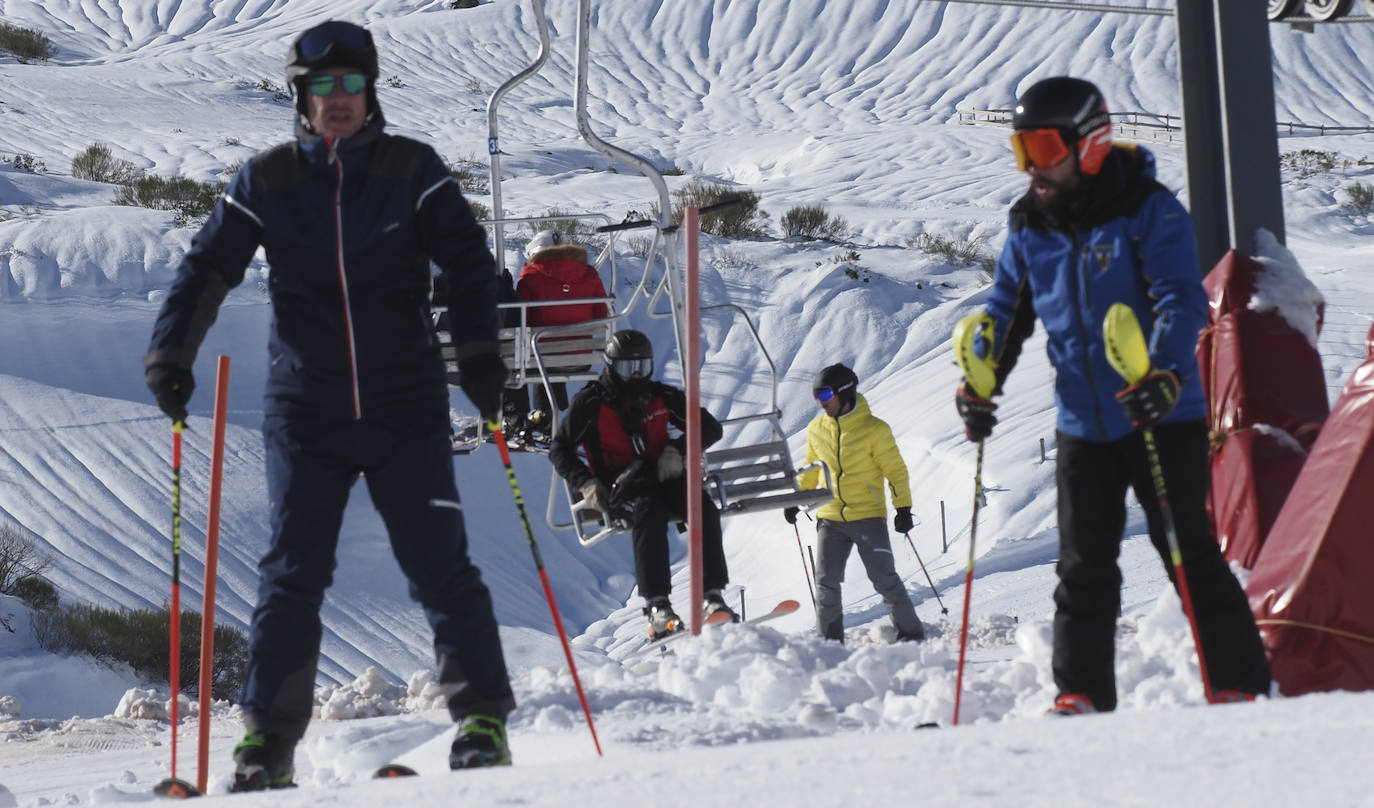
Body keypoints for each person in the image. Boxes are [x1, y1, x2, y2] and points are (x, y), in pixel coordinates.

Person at [143, 20, 516, 789]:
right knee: (291, 574)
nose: (337, 100)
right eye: (322, 88)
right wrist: (170, 353)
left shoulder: (414, 170)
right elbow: (208, 266)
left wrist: (480, 358)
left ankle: (480, 720)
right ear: (301, 98)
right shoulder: (267, 180)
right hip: (305, 410)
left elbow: (472, 267)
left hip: (405, 404)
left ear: (370, 91)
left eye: (351, 85)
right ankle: (267, 747)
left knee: (439, 566)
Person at [954, 76, 1271, 715]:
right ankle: (1081, 695)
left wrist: (1164, 374)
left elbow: (1180, 299)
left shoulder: (1148, 210)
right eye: (1023, 152)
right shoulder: (1029, 224)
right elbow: (1007, 315)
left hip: (1160, 411)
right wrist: (980, 386)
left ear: (1091, 144)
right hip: (1082, 422)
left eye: (1043, 149)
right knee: (1081, 567)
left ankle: (1240, 684)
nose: (1032, 168)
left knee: (1185, 553)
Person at [548, 329, 737, 639]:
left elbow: (709, 427)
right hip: (623, 483)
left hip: (664, 475)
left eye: (642, 367)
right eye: (627, 368)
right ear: (611, 366)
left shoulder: (660, 395)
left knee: (702, 507)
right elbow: (560, 448)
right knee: (649, 515)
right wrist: (586, 482)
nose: (636, 376)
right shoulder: (591, 403)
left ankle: (712, 595)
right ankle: (657, 606)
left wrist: (677, 451)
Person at [784, 364, 925, 645]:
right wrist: (797, 499)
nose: (822, 403)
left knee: (884, 578)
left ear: (844, 393)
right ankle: (830, 643)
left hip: (867, 516)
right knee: (825, 582)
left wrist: (903, 509)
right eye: (817, 397)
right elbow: (812, 468)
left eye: (825, 395)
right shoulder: (816, 428)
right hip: (830, 517)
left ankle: (911, 635)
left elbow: (895, 470)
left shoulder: (875, 430)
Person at [504, 229, 610, 443]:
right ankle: (549, 420)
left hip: (542, 357)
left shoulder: (531, 276)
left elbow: (522, 320)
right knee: (548, 354)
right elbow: (601, 314)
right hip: (581, 359)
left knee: (519, 355)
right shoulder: (589, 274)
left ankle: (518, 417)